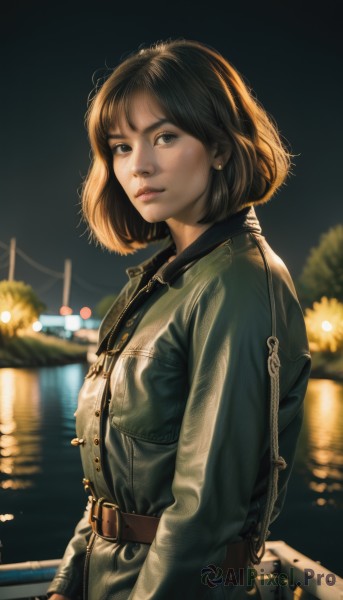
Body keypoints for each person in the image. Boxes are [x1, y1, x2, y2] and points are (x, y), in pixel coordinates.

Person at [48, 38, 311, 600]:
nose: (138, 165)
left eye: (165, 136)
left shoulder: (238, 283)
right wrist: (65, 585)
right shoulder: (161, 281)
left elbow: (204, 518)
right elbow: (106, 492)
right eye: (120, 146)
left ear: (219, 146)